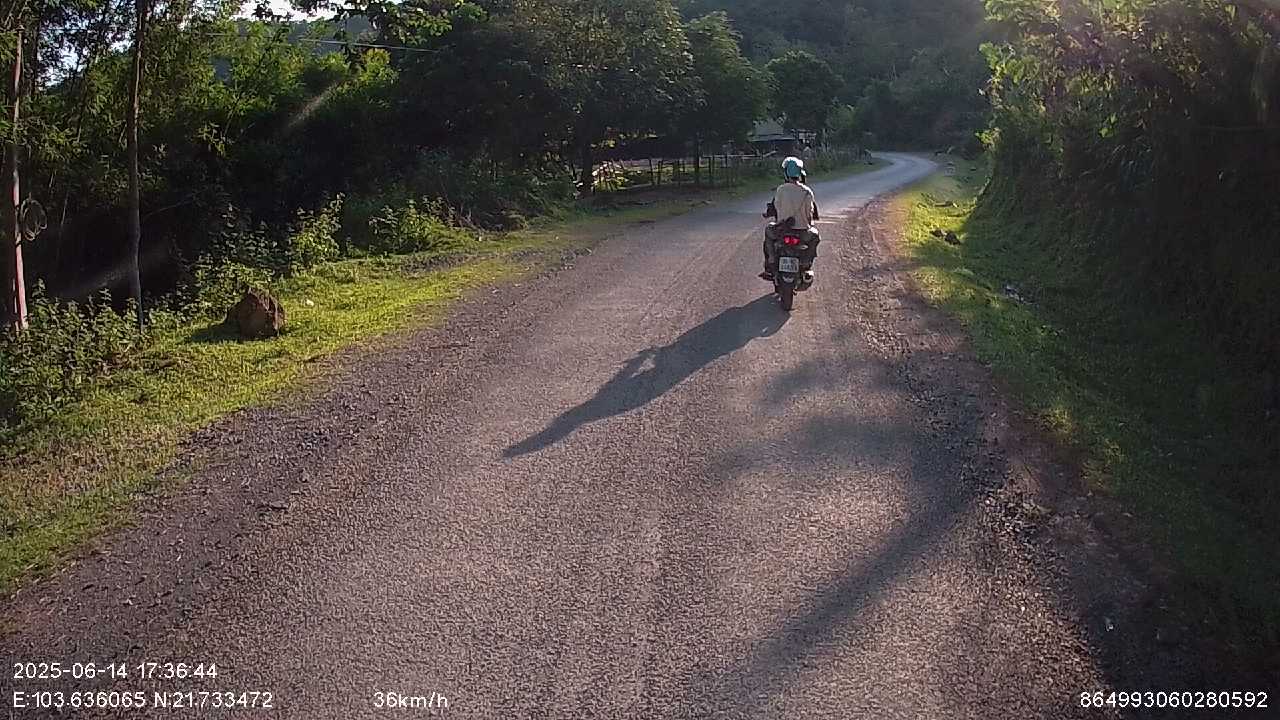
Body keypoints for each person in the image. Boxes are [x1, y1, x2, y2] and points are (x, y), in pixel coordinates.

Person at [761, 156, 820, 281]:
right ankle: (806, 262)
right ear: (800, 173)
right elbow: (809, 213)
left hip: (782, 231)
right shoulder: (807, 192)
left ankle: (771, 259)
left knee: (768, 231)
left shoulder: (781, 189)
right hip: (802, 233)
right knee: (815, 236)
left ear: (786, 173)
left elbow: (777, 207)